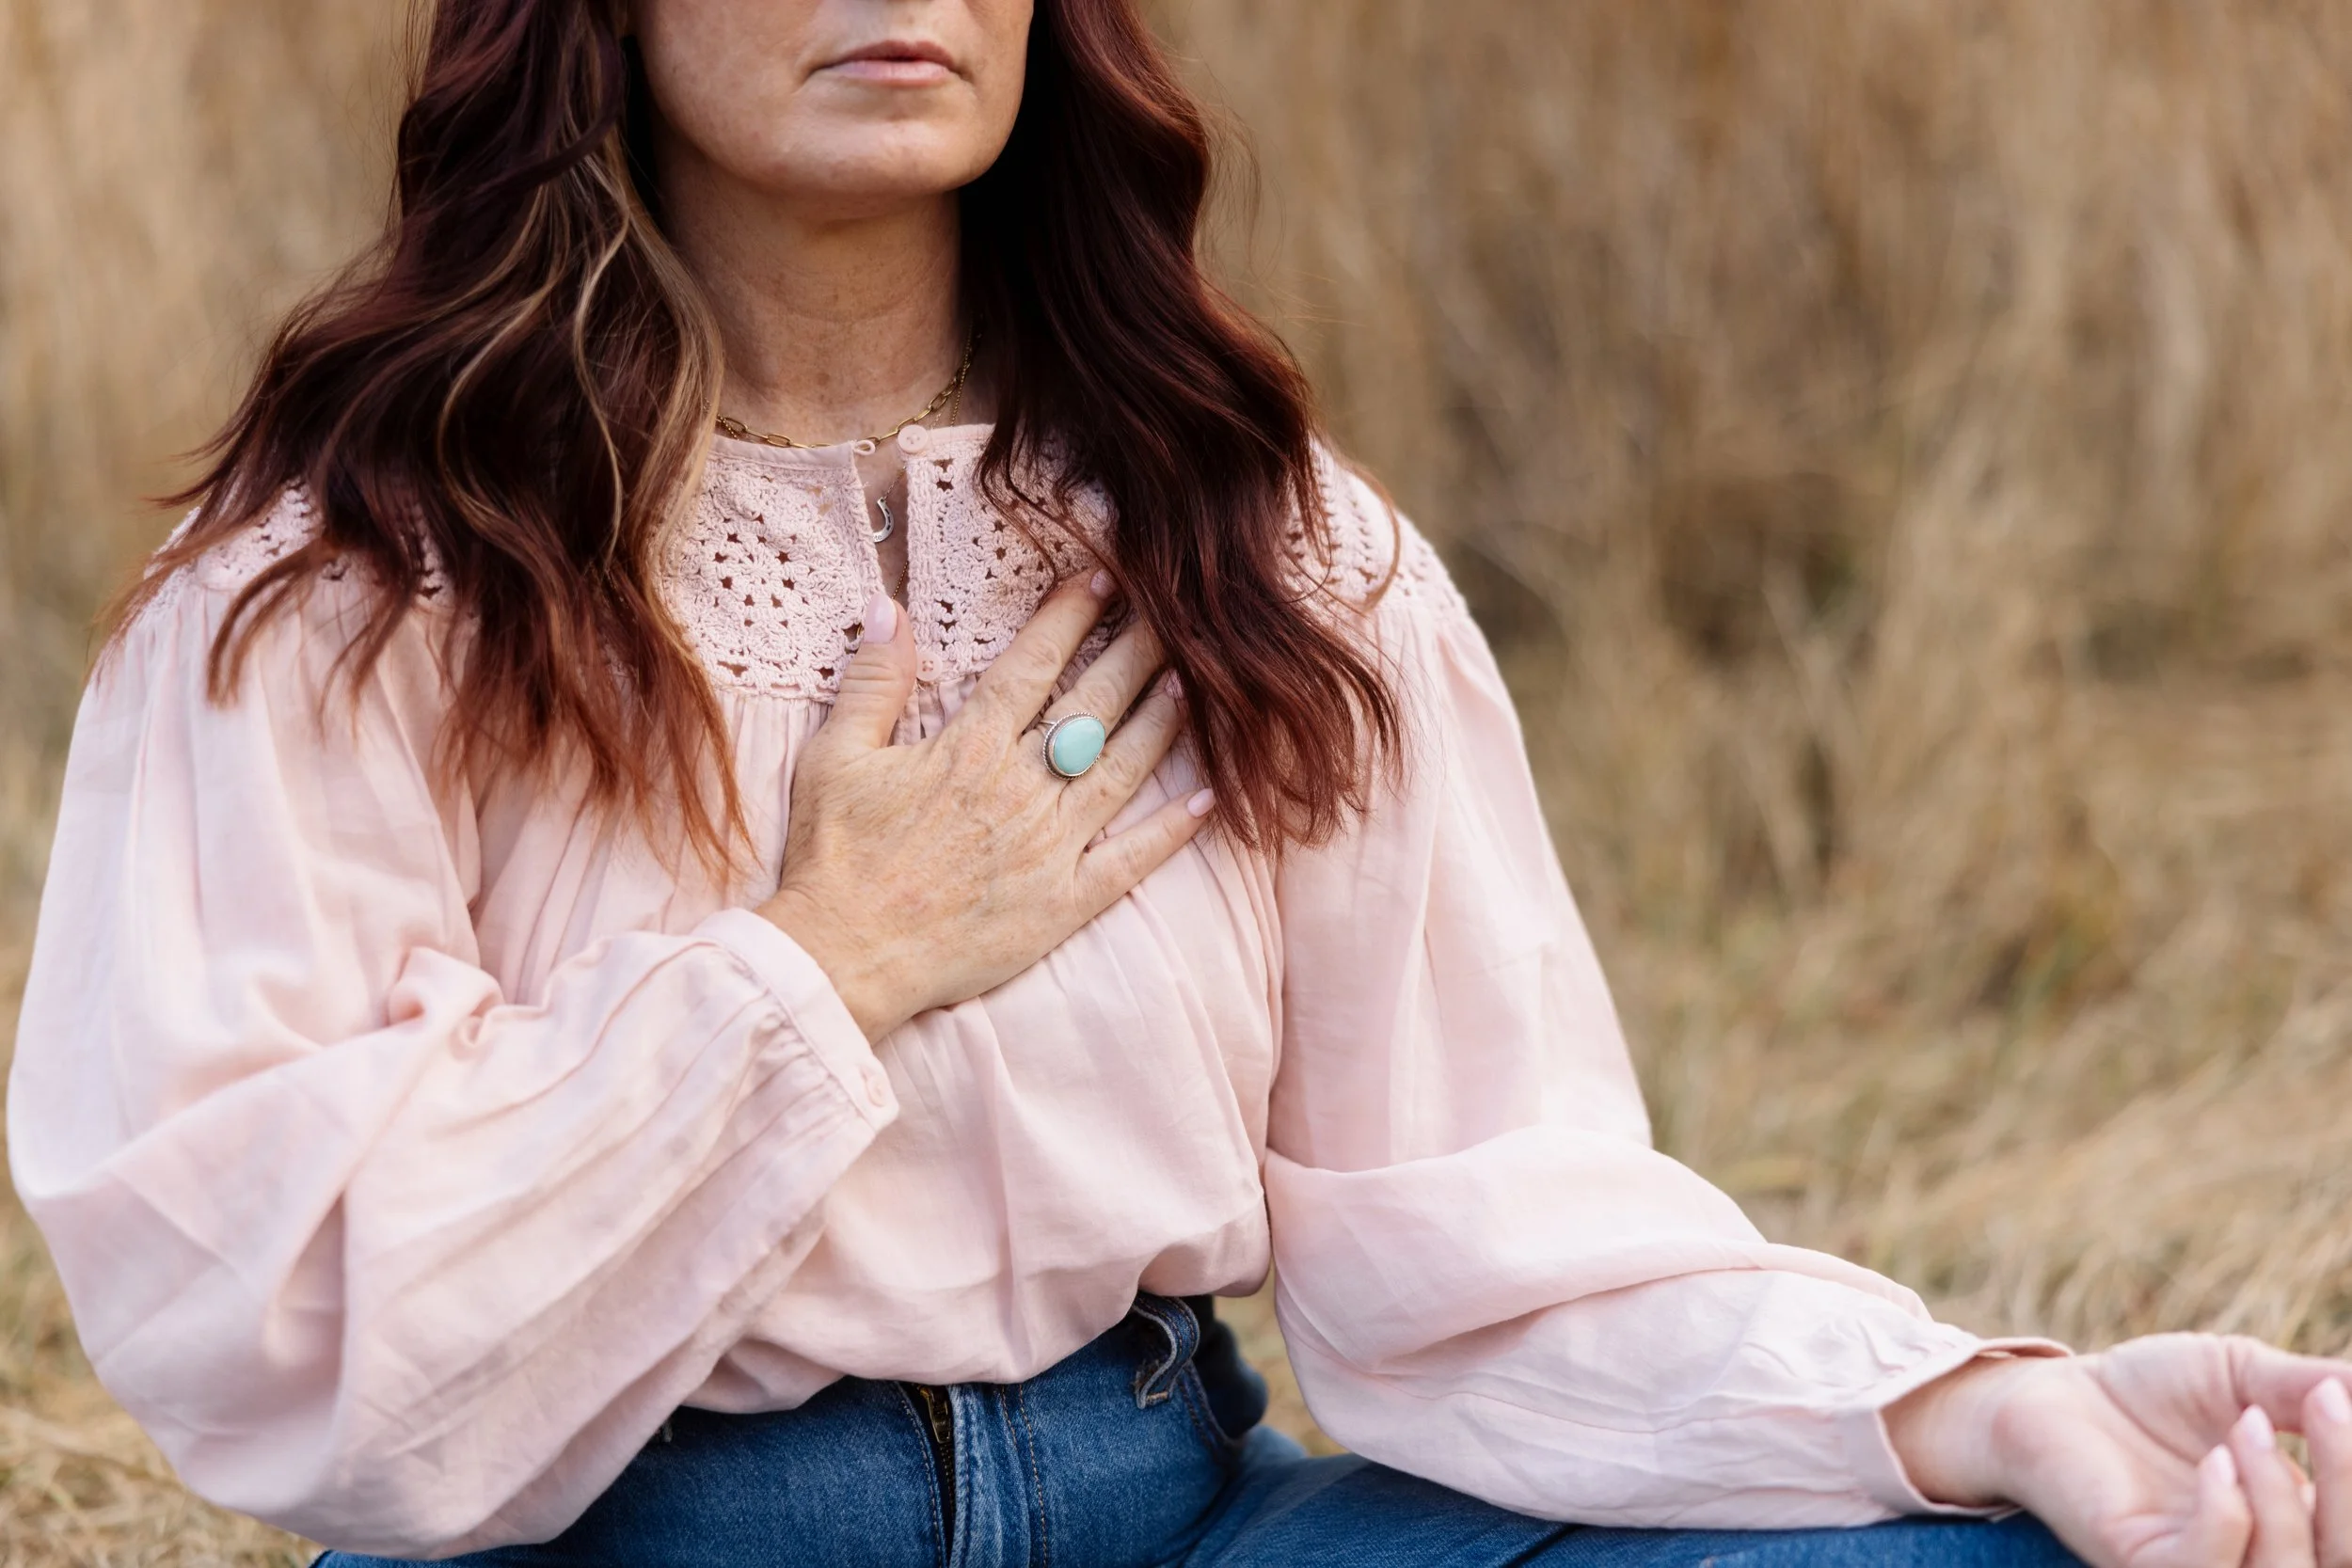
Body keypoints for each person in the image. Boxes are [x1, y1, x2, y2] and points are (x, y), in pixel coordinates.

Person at [11, 1, 2351, 1564]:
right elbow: (291, 1309)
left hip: (1178, 1504)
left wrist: (1972, 1406)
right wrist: (818, 970)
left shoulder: (1264, 544)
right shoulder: (358, 587)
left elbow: (1494, 1231)